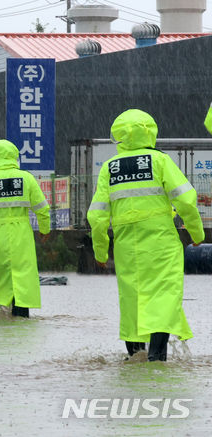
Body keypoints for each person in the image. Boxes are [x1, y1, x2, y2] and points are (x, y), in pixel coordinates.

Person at [87, 109, 205, 362]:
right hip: (161, 242)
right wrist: (196, 232)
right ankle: (156, 358)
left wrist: (100, 251)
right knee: (163, 296)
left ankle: (134, 358)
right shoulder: (160, 161)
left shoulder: (110, 168)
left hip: (126, 245)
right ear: (149, 131)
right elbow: (186, 199)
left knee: (132, 297)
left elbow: (96, 216)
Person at [0, 139, 51, 318]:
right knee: (21, 280)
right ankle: (21, 318)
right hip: (21, 236)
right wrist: (45, 230)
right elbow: (42, 208)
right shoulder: (27, 178)